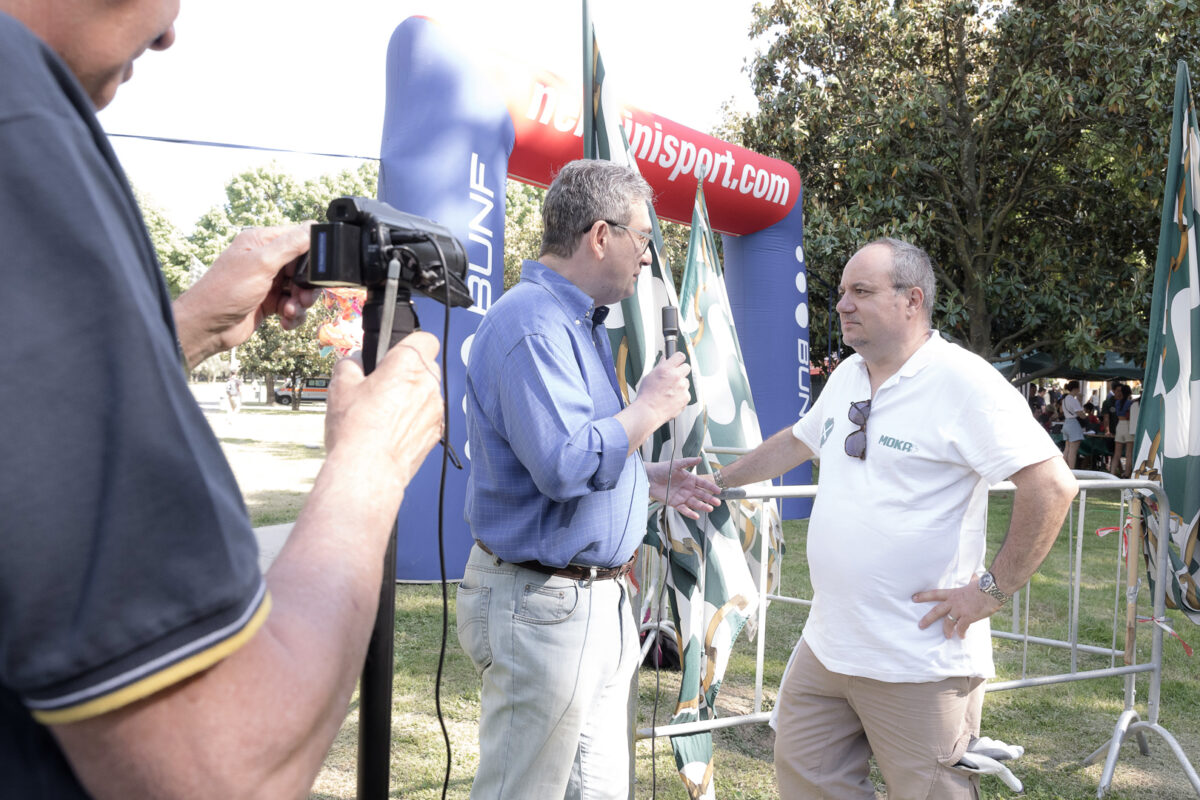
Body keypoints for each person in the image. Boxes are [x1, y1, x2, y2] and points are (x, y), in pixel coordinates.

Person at [0, 3, 446, 797]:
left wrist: (184, 329)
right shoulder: (19, 112)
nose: (170, 31)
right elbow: (221, 768)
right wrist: (371, 465)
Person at [712, 238, 1077, 799]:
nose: (842, 305)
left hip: (919, 658)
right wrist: (718, 482)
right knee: (806, 778)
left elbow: (1052, 485)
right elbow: (798, 441)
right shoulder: (848, 377)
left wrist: (991, 590)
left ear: (912, 301)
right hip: (829, 644)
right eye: (841, 293)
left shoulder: (964, 380)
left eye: (861, 291)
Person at [457, 158, 721, 799]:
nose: (648, 258)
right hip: (545, 605)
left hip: (592, 604)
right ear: (600, 235)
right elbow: (565, 465)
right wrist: (648, 408)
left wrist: (648, 478)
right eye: (644, 239)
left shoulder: (575, 323)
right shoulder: (532, 325)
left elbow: (580, 453)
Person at [1111, 383, 1135, 478]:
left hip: (1119, 425)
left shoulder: (1117, 402)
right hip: (1128, 425)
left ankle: (1112, 473)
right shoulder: (1131, 403)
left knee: (1117, 453)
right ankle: (1127, 473)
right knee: (1129, 453)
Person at [1060, 380, 1087, 468]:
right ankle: (1072, 471)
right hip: (1073, 425)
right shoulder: (1073, 400)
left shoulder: (1064, 399)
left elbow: (1062, 410)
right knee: (1073, 451)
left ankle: (1064, 469)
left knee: (1067, 449)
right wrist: (1085, 416)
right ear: (1076, 388)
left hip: (1066, 423)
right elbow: (1081, 414)